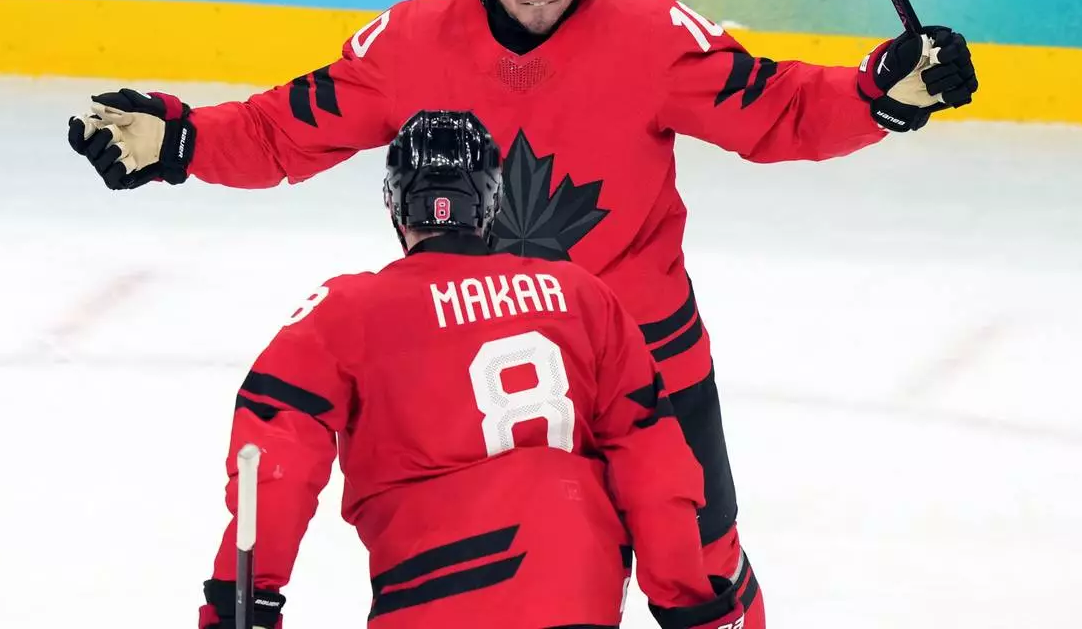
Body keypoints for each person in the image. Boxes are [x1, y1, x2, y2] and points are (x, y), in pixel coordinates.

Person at [71, 0, 978, 628]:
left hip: (649, 367)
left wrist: (880, 93)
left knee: (705, 572)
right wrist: (184, 139)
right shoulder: (412, 44)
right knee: (504, 586)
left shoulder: (652, 35)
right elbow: (286, 128)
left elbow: (774, 110)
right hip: (472, 365)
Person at [199, 110, 741, 629]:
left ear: (395, 203)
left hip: (428, 595)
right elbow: (655, 466)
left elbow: (274, 468)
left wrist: (244, 602)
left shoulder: (345, 311)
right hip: (578, 595)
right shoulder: (581, 297)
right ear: (491, 202)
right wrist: (687, 598)